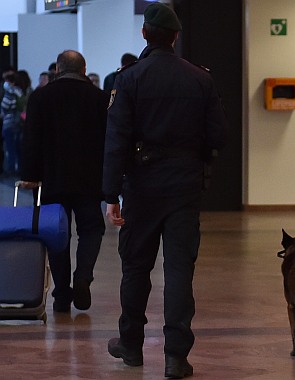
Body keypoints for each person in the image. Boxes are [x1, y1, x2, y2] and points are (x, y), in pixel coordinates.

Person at [103, 3, 227, 378]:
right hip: (185, 187)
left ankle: (131, 345)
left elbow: (116, 141)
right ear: (175, 37)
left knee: (136, 267)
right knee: (178, 272)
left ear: (144, 34)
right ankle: (176, 356)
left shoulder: (129, 79)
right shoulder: (200, 79)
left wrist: (111, 195)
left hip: (141, 187)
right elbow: (218, 136)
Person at [19, 50, 108, 313]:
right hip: (90, 181)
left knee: (57, 234)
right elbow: (109, 141)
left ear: (57, 70)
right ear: (84, 70)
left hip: (52, 179)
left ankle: (61, 293)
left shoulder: (40, 97)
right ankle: (83, 277)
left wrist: (30, 176)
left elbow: (31, 140)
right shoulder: (100, 99)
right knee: (91, 229)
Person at [1, 71, 23, 176]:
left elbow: (5, 106)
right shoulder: (19, 92)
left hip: (8, 122)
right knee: (17, 147)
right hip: (17, 122)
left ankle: (11, 169)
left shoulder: (10, 93)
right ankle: (19, 168)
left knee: (10, 148)